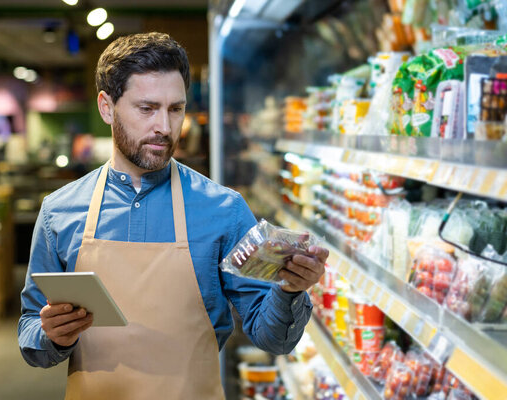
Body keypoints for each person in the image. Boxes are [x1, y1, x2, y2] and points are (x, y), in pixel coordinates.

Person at [18, 32, 328, 399]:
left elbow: (274, 339)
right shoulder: (59, 212)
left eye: (175, 109)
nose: (164, 127)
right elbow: (30, 333)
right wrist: (50, 334)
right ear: (106, 107)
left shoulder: (224, 210)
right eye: (147, 108)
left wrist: (291, 290)